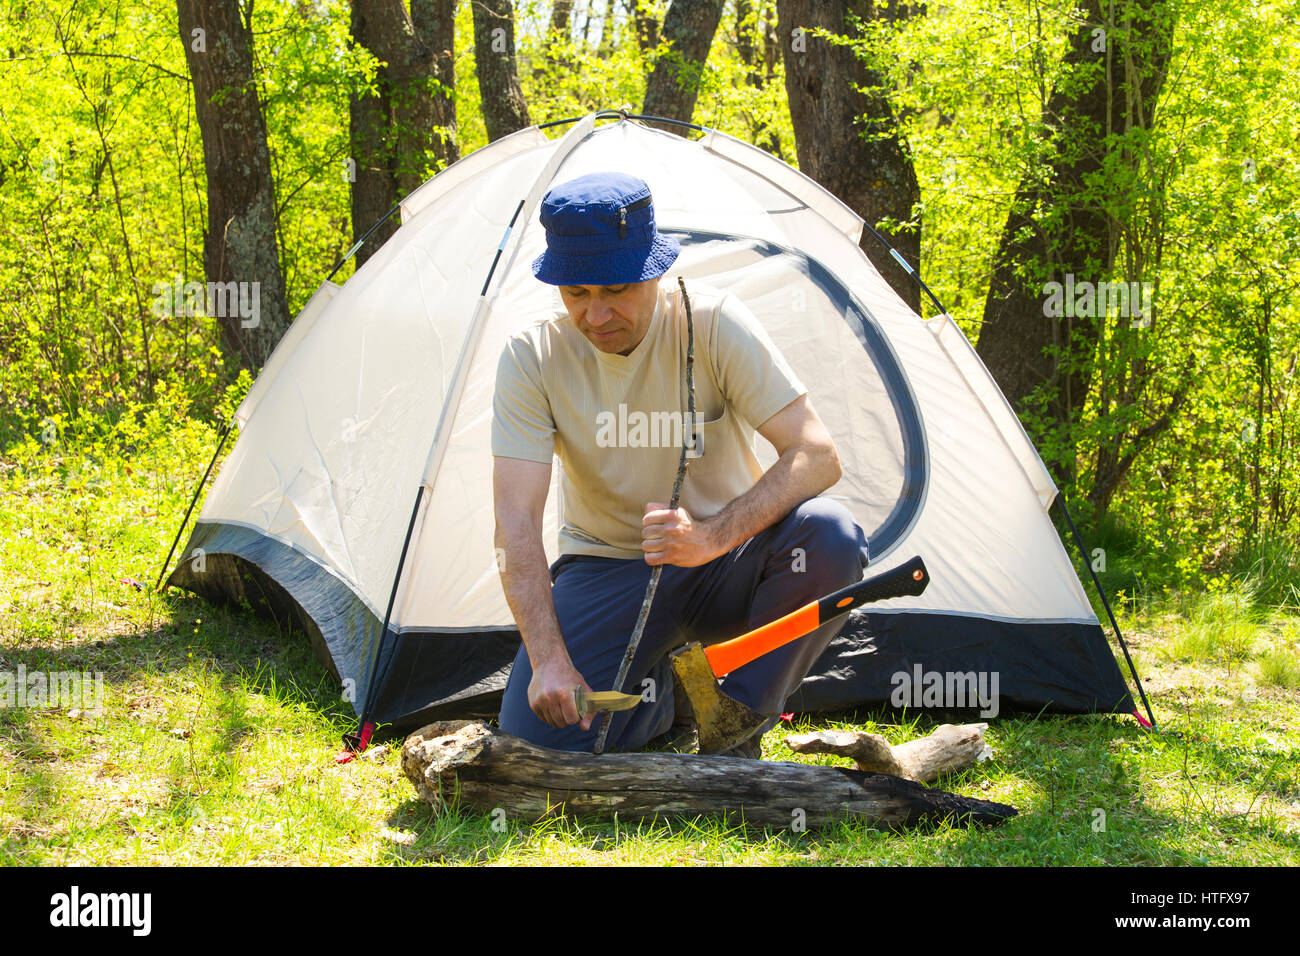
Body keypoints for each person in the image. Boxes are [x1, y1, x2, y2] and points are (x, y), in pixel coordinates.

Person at [492, 171, 868, 756]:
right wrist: (548, 660)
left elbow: (817, 454)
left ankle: (735, 720)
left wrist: (712, 536)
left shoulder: (715, 322)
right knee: (545, 746)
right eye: (576, 293)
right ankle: (664, 698)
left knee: (831, 536)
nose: (595, 316)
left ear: (656, 269)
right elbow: (514, 520)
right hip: (605, 568)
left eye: (616, 288)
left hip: (731, 563)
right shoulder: (530, 356)